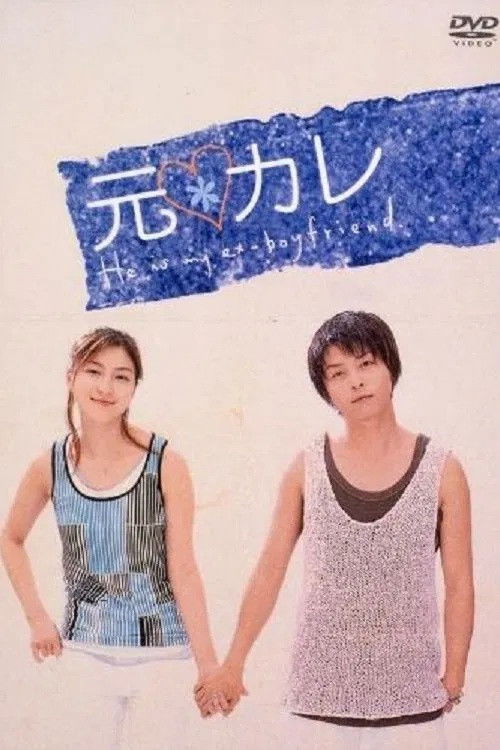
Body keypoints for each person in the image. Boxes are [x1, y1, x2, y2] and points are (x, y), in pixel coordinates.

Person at [194, 311, 474, 750]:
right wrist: (233, 664)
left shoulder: (443, 470)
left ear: (390, 367)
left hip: (413, 710)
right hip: (316, 709)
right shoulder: (306, 467)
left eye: (366, 364)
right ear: (326, 391)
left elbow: (459, 584)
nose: (356, 382)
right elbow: (269, 571)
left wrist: (453, 678)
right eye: (338, 373)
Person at [0, 327, 224, 749]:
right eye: (94, 371)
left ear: (134, 387)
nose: (106, 387)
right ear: (71, 377)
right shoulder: (50, 465)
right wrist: (36, 618)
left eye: (121, 376)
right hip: (82, 651)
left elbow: (183, 568)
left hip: (163, 654)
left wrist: (208, 664)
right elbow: (10, 538)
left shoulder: (166, 463)